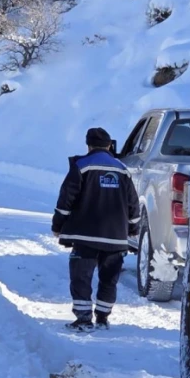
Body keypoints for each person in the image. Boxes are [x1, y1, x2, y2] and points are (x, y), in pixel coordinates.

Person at [51, 127, 140, 332]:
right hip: (116, 237)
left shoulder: (81, 166)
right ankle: (102, 318)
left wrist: (58, 225)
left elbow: (66, 200)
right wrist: (133, 227)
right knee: (109, 279)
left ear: (88, 146)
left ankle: (83, 319)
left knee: (81, 277)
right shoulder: (122, 169)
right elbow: (133, 204)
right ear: (109, 146)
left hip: (84, 236)